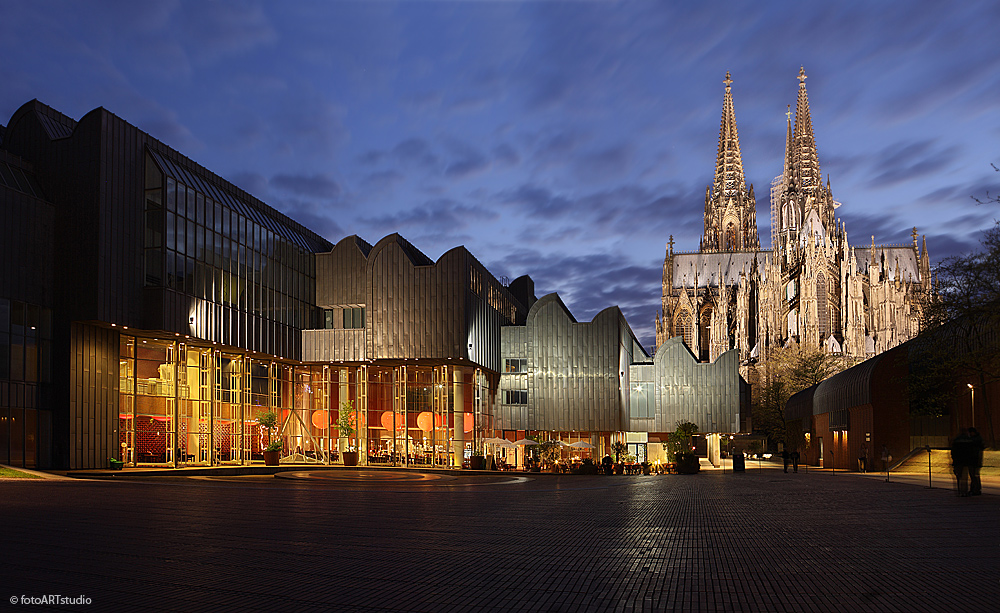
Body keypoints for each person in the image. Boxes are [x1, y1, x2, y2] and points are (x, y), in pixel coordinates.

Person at [951, 429, 973, 497]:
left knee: (958, 476)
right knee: (965, 477)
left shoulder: (956, 441)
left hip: (958, 461)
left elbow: (953, 452)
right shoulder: (969, 441)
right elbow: (971, 452)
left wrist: (954, 460)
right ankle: (965, 491)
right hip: (966, 461)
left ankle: (960, 491)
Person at [968, 427, 985, 496]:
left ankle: (976, 489)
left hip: (974, 460)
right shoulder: (978, 439)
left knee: (974, 476)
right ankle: (975, 489)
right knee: (974, 476)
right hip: (975, 460)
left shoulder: (974, 441)